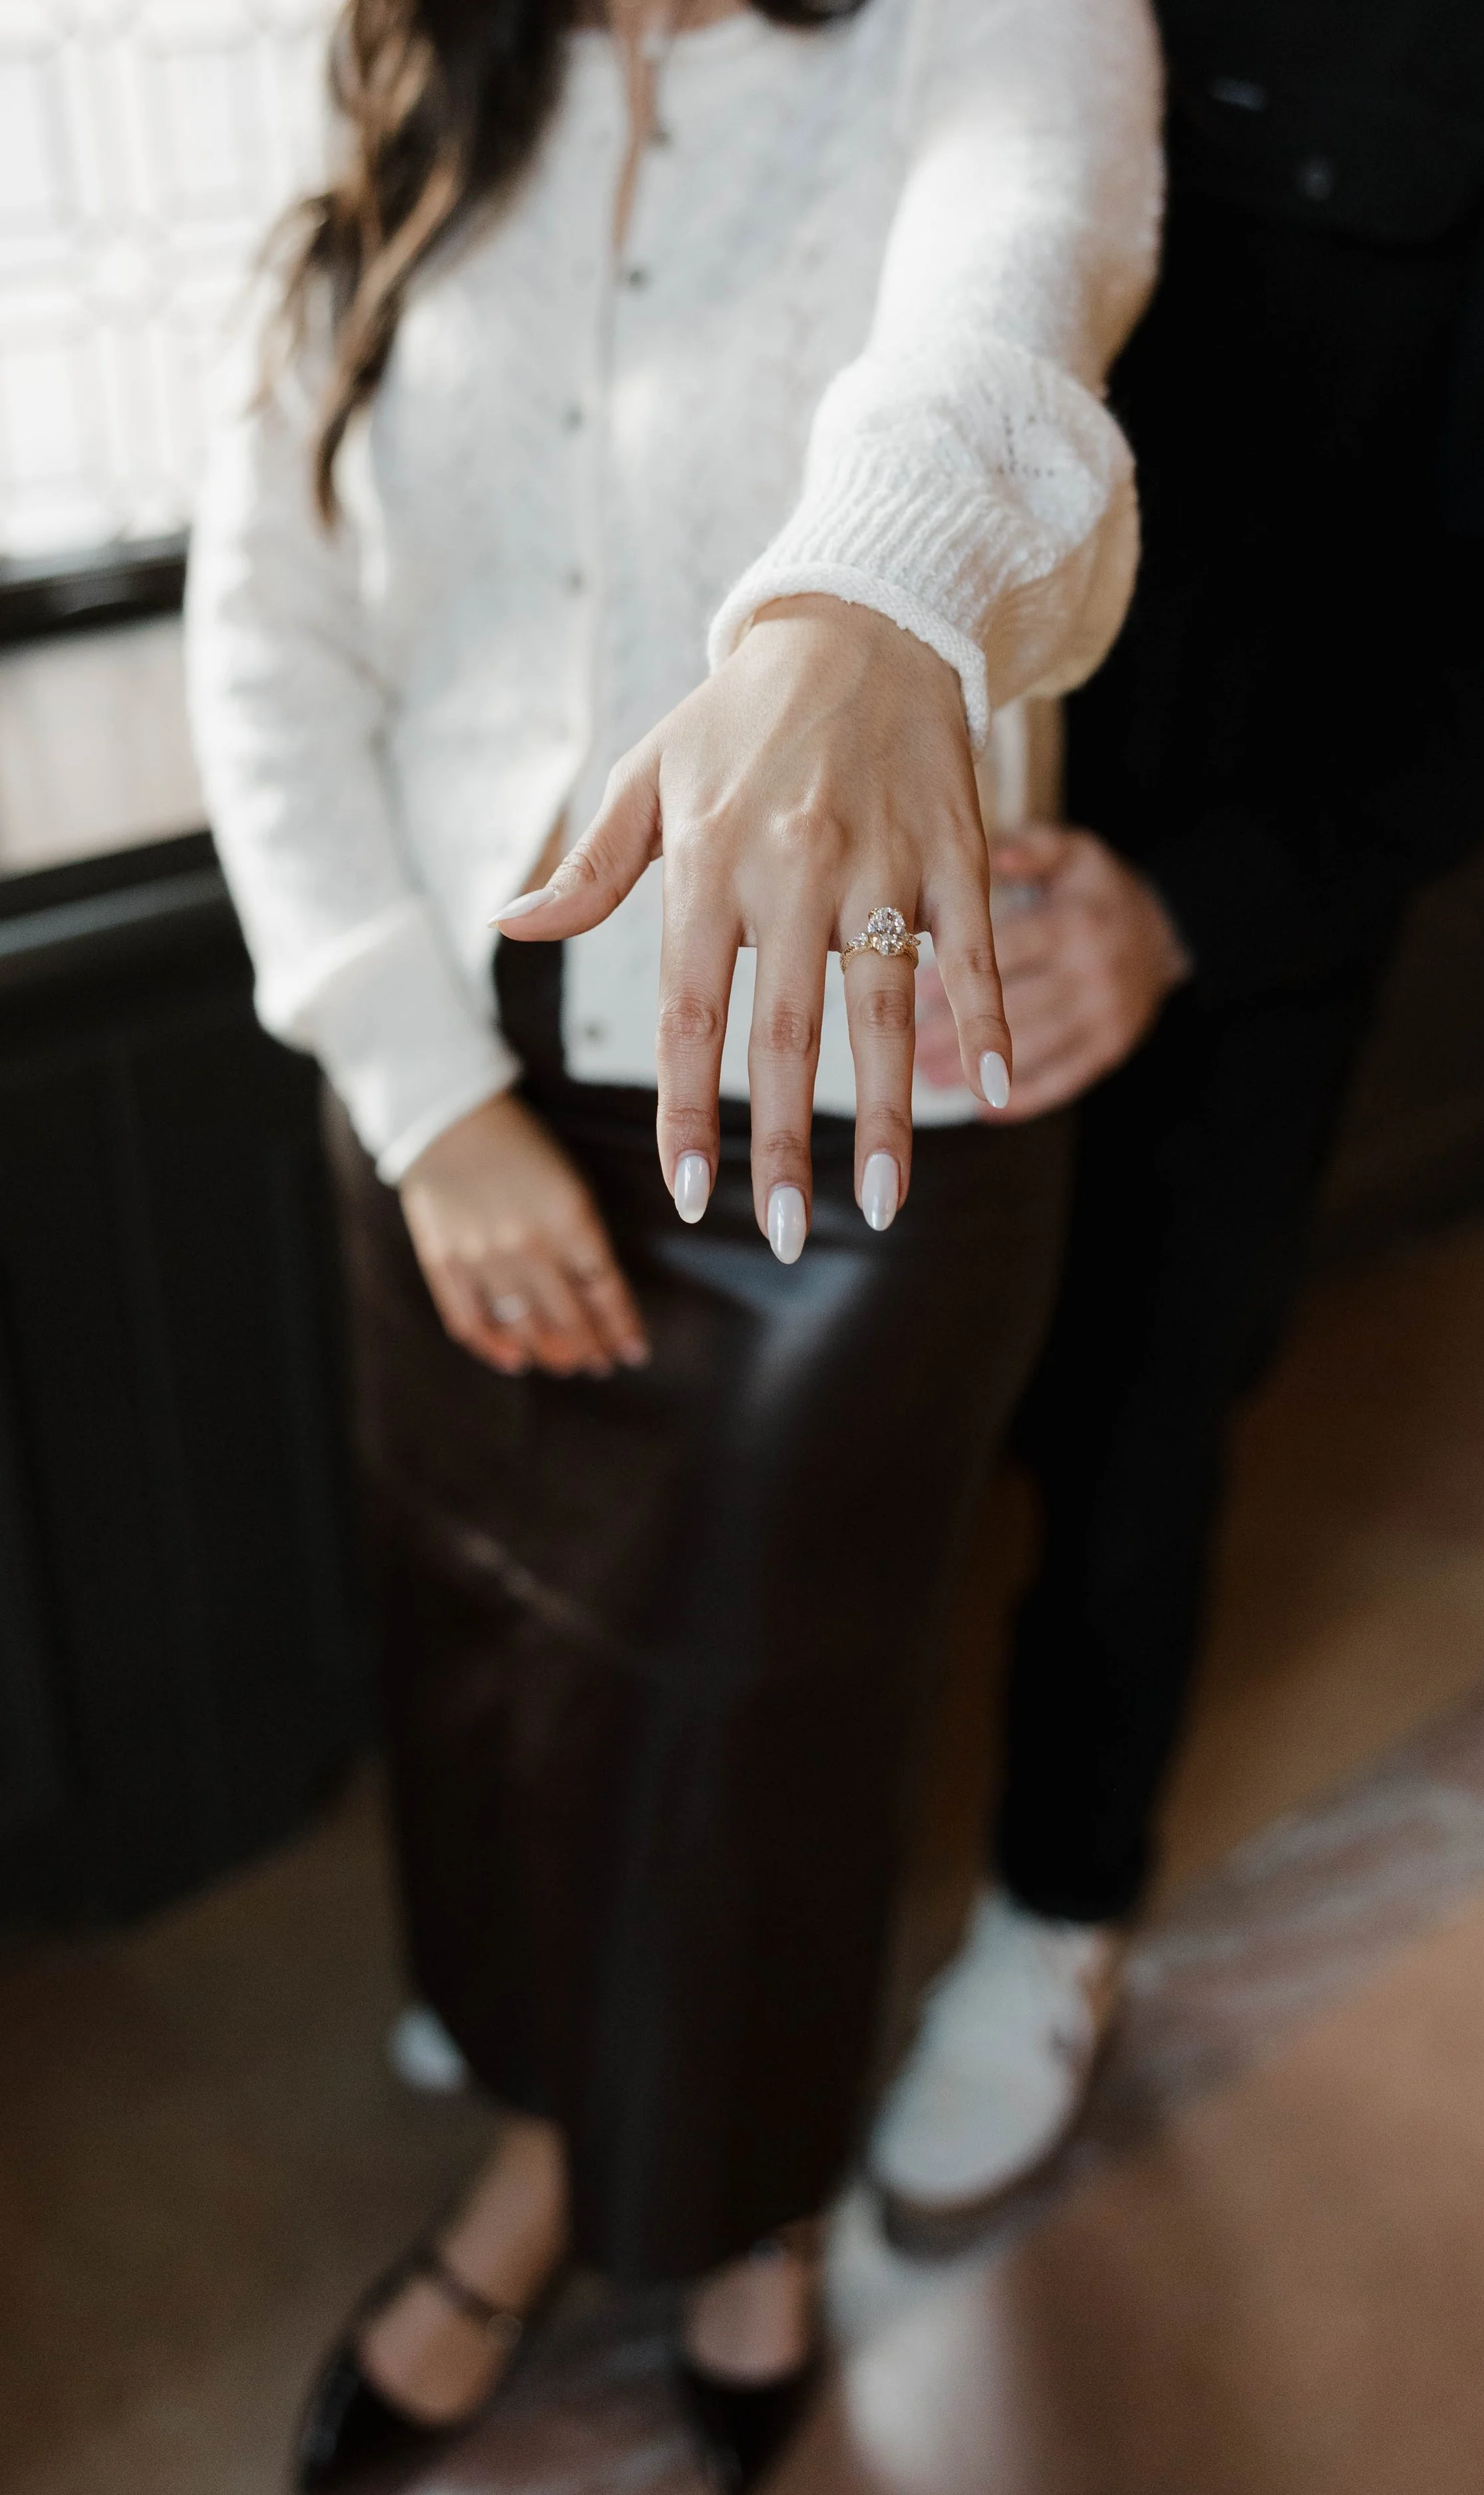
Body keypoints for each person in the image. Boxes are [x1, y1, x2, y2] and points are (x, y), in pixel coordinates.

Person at [185, 0, 1161, 2483]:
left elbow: (1013, 300)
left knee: (763, 1722)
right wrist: (425, 1106)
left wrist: (857, 600)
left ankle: (731, 2208)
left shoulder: (994, 28)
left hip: (846, 1117)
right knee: (498, 1683)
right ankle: (547, 2153)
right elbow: (271, 648)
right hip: (459, 1079)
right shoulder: (412, 97)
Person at [867, 0, 1484, 2233]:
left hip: (1218, 887)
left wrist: (1188, 911)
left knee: (1138, 1422)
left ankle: (1053, 1917)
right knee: (818, 1393)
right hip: (887, 809)